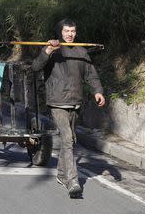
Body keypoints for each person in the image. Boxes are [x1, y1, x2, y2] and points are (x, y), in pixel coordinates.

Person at [32, 19, 106, 199]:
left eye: (73, 31)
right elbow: (35, 66)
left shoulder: (82, 51)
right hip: (57, 102)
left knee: (70, 140)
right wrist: (48, 50)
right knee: (66, 138)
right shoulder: (52, 49)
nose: (70, 34)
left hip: (76, 102)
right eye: (66, 31)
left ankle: (61, 174)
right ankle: (73, 181)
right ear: (60, 33)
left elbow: (91, 75)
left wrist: (98, 91)